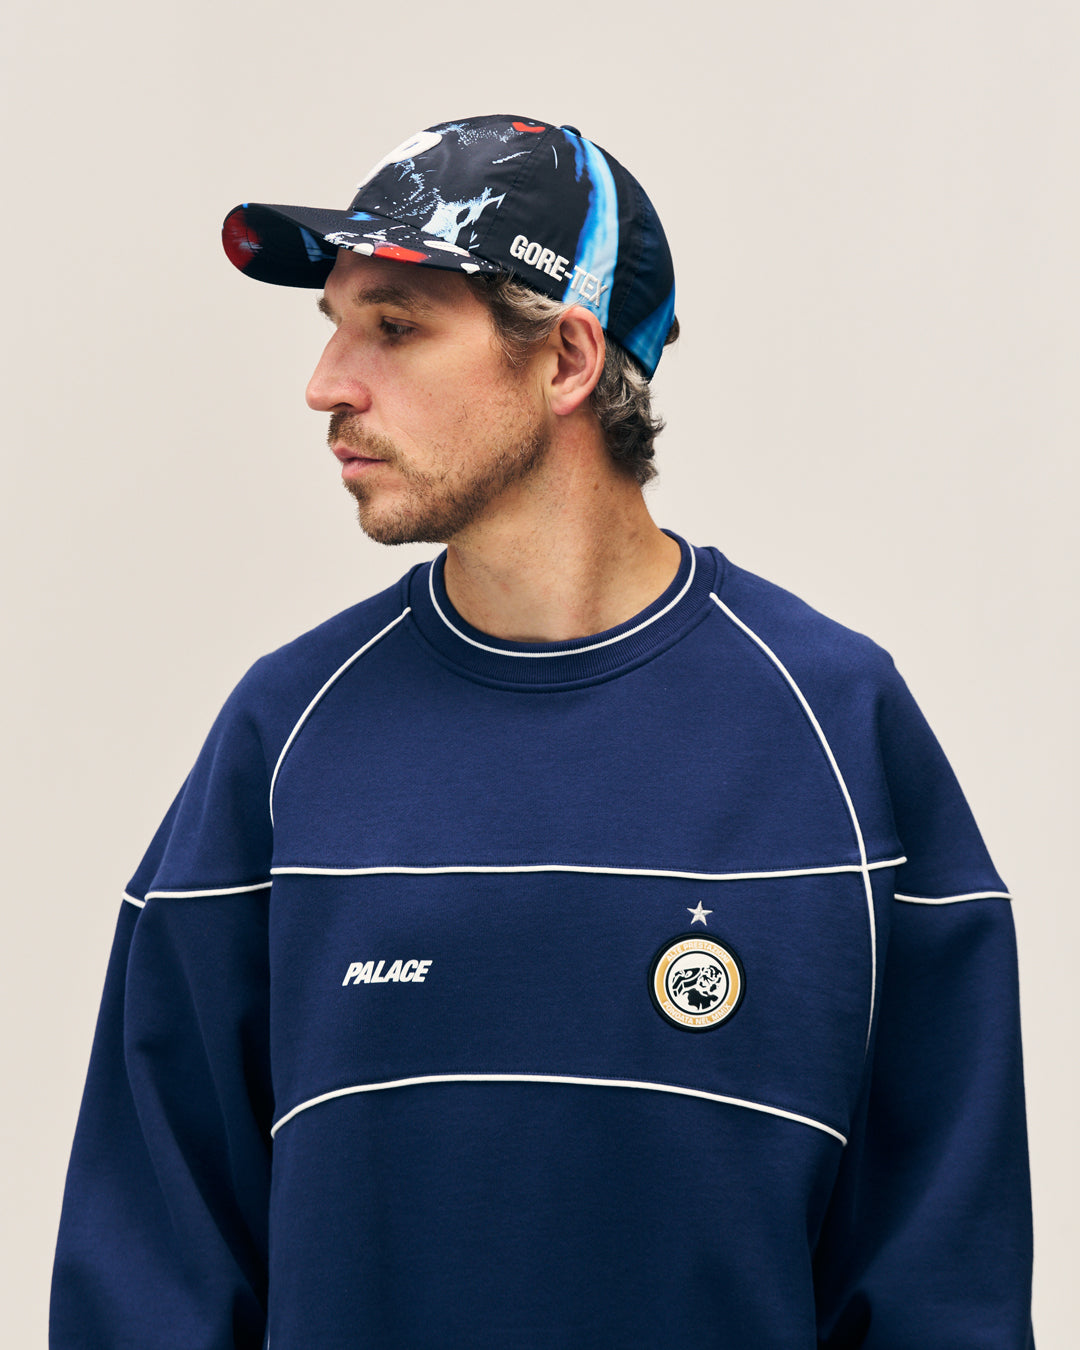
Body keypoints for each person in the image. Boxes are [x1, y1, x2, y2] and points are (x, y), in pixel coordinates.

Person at [51, 115, 1034, 1349]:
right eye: (334, 326)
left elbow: (943, 1283)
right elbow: (149, 1279)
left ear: (567, 358)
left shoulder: (839, 730)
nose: (327, 384)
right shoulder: (285, 734)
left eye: (394, 328)